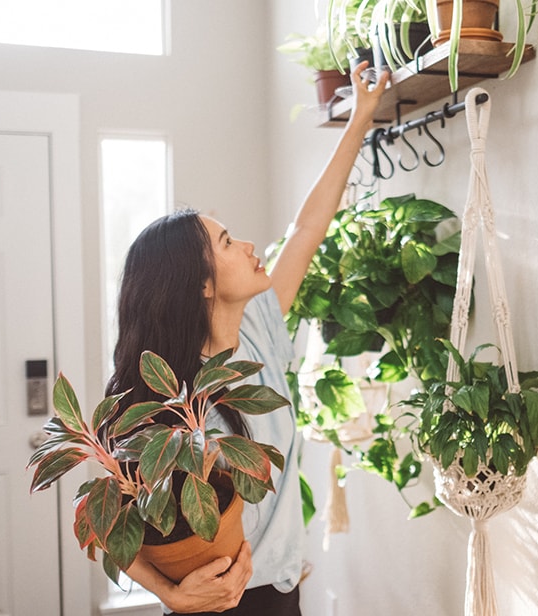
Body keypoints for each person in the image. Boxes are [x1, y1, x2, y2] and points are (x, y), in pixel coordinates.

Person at [105, 61, 388, 615]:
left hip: (281, 591)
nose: (250, 244)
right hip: (218, 603)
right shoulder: (165, 396)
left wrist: (361, 119)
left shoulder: (258, 329)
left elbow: (308, 228)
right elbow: (108, 520)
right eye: (229, 241)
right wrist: (171, 597)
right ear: (203, 285)